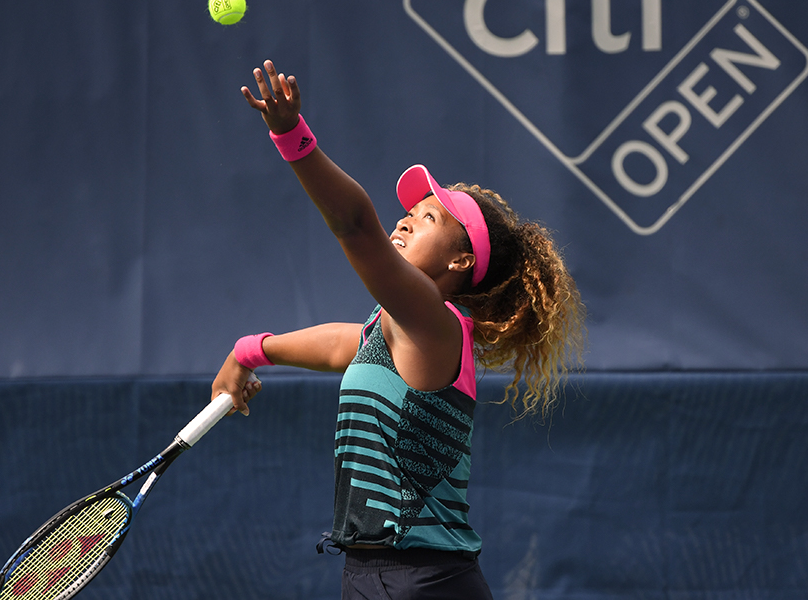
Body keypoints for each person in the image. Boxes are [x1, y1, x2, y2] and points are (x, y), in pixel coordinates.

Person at [212, 60, 585, 600]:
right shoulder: (395, 329)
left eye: (429, 217)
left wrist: (291, 135)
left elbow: (356, 226)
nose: (406, 217)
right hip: (386, 576)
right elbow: (340, 345)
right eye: (410, 210)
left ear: (460, 261)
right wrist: (248, 352)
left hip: (416, 581)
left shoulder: (435, 321)